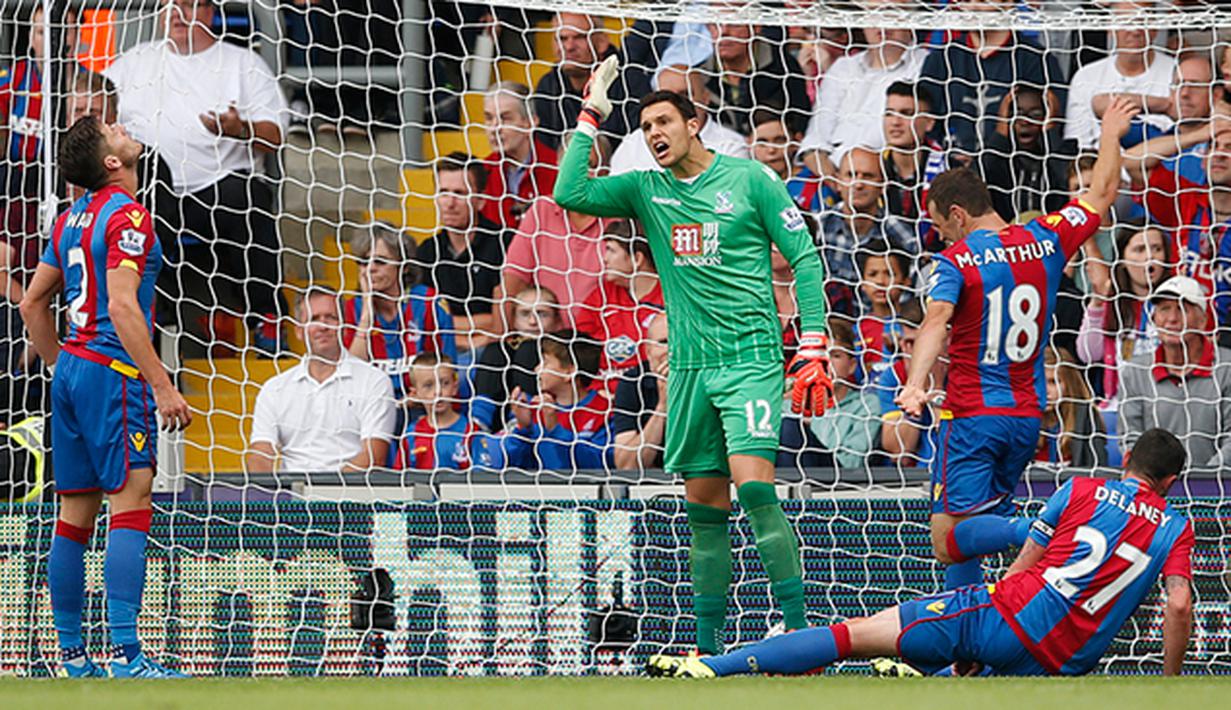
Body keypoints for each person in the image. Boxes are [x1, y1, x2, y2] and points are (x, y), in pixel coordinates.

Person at [554, 58, 833, 654]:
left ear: (695, 122)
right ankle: (708, 651)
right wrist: (591, 114)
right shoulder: (645, 190)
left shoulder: (751, 180)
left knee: (754, 488)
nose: (654, 134)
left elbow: (806, 260)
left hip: (751, 358)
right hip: (688, 369)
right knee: (703, 509)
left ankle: (799, 628)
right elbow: (568, 191)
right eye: (645, 127)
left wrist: (812, 340)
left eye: (663, 122)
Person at [647, 428, 1195, 679]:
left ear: (1125, 459)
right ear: (1170, 481)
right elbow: (1177, 606)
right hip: (1062, 663)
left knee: (852, 635)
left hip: (1008, 618)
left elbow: (1023, 563)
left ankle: (710, 667)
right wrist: (1171, 684)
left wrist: (997, 607)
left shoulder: (1077, 490)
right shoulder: (1174, 525)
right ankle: (924, 672)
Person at [895, 98, 1138, 593]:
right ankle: (965, 654)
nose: (942, 238)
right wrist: (1110, 132)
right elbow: (1104, 191)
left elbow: (937, 318)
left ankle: (1046, 528)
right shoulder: (1046, 238)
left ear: (959, 215)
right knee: (975, 534)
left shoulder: (957, 262)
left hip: (971, 417)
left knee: (949, 538)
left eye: (942, 227)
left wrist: (915, 384)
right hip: (1027, 417)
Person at [19, 115, 193, 678]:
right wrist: (163, 385)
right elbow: (122, 305)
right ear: (112, 163)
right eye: (113, 130)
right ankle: (127, 657)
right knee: (132, 501)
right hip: (113, 370)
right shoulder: (130, 215)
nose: (122, 127)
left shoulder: (70, 219)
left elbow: (30, 305)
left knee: (73, 516)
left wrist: (62, 365)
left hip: (71, 367)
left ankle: (72, 657)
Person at [105, 0, 289, 353]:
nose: (175, 12)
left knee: (247, 196)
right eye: (167, 5)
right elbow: (97, 108)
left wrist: (240, 128)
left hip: (220, 188)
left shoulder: (242, 63)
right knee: (147, 182)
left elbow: (277, 133)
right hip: (153, 192)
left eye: (187, 4)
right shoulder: (134, 61)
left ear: (209, 11)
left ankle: (265, 317)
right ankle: (159, 319)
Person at [248, 287, 397, 473]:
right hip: (292, 496)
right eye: (314, 319)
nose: (323, 326)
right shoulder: (274, 388)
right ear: (299, 331)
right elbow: (260, 454)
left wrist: (325, 495)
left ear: (344, 326)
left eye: (331, 317)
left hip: (353, 495)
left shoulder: (374, 381)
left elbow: (373, 456)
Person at [916, 0, 1067, 159]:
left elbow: (1051, 127)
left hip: (1015, 173)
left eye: (982, 1)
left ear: (1009, 4)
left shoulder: (1037, 59)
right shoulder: (940, 59)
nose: (973, 8)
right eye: (966, 1)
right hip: (951, 171)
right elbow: (926, 122)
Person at [0, 5, 79, 303]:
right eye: (41, 31)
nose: (51, 38)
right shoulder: (12, 81)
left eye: (61, 29)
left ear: (76, 37)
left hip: (69, 186)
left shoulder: (88, 87)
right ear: (31, 37)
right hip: (18, 190)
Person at [799, 2, 929, 179]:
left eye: (891, 12)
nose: (882, 21)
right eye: (872, 13)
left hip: (888, 179)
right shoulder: (842, 68)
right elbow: (814, 144)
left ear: (912, 17)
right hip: (832, 179)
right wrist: (837, 182)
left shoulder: (926, 66)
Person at [1119, 276, 1231, 472]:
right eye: (1164, 309)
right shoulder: (1135, 371)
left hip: (1218, 490)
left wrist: (1202, 482)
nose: (1172, 318)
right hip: (1154, 488)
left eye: (1182, 309)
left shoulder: (1227, 367)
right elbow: (1131, 437)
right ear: (1153, 319)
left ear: (1203, 320)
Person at [501, 131, 611, 331]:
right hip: (543, 335)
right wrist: (506, 336)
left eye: (592, 165)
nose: (582, 173)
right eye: (573, 166)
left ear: (606, 173)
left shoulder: (619, 219)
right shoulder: (542, 209)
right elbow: (514, 279)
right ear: (559, 168)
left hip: (598, 337)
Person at [342, 223, 456, 403]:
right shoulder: (351, 308)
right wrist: (366, 317)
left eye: (380, 261)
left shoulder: (429, 302)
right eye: (363, 262)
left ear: (404, 267)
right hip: (371, 406)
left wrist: (419, 397)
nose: (370, 268)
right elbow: (351, 376)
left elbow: (449, 368)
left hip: (425, 407)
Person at [416, 152, 510, 350]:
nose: (450, 203)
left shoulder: (504, 243)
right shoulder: (427, 251)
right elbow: (423, 321)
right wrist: (477, 328)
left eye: (460, 193)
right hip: (441, 352)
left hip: (491, 350)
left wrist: (448, 323)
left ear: (481, 200)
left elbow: (501, 322)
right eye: (443, 192)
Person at [1076, 222, 1170, 405]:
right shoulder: (1113, 304)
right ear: (1123, 260)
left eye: (1157, 248)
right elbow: (1088, 354)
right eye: (1140, 249)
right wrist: (1097, 301)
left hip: (1166, 403)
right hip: (1119, 406)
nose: (1150, 256)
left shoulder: (1178, 303)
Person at [486, 335, 612, 471]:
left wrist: (554, 429)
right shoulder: (533, 409)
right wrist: (523, 428)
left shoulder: (604, 411)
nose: (536, 369)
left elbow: (600, 465)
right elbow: (509, 467)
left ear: (569, 372)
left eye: (544, 363)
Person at [815, 147, 919, 313]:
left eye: (868, 176)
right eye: (851, 175)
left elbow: (908, 298)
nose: (859, 184)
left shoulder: (903, 236)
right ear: (837, 182)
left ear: (883, 185)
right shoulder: (818, 227)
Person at [1064, 1, 1176, 150]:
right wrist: (1165, 104)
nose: (1135, 30)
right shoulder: (1086, 77)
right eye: (1126, 22)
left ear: (1154, 28)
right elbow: (1077, 143)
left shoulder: (1177, 72)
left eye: (1141, 21)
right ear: (1110, 28)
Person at [1124, 54, 1218, 227]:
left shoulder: (1220, 149)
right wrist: (1166, 105)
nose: (1185, 93)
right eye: (1179, 85)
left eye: (1195, 85)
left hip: (1194, 237)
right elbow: (1100, 103)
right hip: (1140, 237)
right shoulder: (1156, 136)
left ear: (1216, 94)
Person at [532, 13, 648, 150]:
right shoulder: (547, 87)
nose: (569, 47)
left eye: (579, 37)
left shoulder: (630, 81)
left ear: (602, 42)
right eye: (562, 39)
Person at [608, 64, 749, 175]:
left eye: (685, 95)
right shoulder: (632, 144)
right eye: (666, 97)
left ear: (706, 98)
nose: (675, 105)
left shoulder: (732, 146)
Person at [574, 220, 664, 382]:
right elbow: (581, 348)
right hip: (602, 391)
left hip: (650, 389)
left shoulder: (669, 299)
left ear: (637, 258)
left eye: (611, 251)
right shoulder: (602, 295)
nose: (604, 259)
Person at [471, 286, 564, 432]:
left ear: (557, 320)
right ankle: (479, 422)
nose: (532, 321)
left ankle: (517, 420)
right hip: (499, 413)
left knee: (528, 349)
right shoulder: (505, 348)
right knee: (495, 350)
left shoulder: (563, 348)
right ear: (513, 320)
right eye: (525, 314)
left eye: (542, 314)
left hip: (541, 415)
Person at [980, 85, 1076, 222]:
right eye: (1017, 114)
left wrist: (1050, 131)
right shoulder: (999, 159)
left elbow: (1067, 179)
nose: (1025, 121)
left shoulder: (1064, 152)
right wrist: (1001, 129)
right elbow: (977, 178)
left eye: (1035, 115)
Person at [701, 20, 810, 137]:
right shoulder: (699, 75)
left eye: (734, 24)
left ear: (756, 27)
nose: (723, 32)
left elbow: (799, 123)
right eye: (715, 25)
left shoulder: (784, 66)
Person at [478, 82, 559, 229]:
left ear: (530, 122)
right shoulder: (481, 172)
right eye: (489, 118)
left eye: (506, 118)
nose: (494, 128)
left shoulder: (557, 169)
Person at [807, 318, 880, 469]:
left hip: (841, 481)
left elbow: (851, 462)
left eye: (836, 356)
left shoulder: (866, 405)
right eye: (820, 354)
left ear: (852, 366)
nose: (826, 362)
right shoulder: (788, 407)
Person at [880, 82, 947, 243]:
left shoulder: (949, 171)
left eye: (907, 113)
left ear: (929, 123)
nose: (895, 122)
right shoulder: (871, 169)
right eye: (889, 113)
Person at [394, 352, 480, 471]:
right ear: (415, 394)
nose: (438, 392)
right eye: (429, 386)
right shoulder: (411, 434)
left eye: (445, 383)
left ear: (455, 387)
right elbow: (399, 479)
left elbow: (481, 481)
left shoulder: (470, 431)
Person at [610, 313, 669, 470]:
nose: (672, 350)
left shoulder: (709, 378)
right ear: (648, 351)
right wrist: (662, 407)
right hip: (651, 486)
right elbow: (627, 466)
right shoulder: (632, 382)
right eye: (664, 342)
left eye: (681, 341)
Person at [1037, 346, 1108, 469]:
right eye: (1039, 383)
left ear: (1069, 383)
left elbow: (1098, 469)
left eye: (1053, 382)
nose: (1045, 391)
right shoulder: (1021, 419)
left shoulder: (1086, 417)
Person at [854, 240, 913, 377]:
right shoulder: (858, 330)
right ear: (862, 283)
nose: (880, 282)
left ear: (906, 282)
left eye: (889, 274)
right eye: (873, 274)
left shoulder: (914, 326)